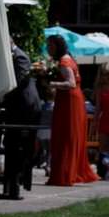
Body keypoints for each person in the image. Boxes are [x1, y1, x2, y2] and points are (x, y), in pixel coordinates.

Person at [44, 34, 97, 186]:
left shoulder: (63, 61)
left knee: (65, 135)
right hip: (72, 99)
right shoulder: (69, 58)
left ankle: (65, 173)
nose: (48, 48)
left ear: (57, 46)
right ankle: (73, 171)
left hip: (69, 101)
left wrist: (51, 83)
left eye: (50, 46)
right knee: (71, 135)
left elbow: (70, 83)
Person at [0, 40, 42, 191]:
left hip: (25, 107)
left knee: (20, 145)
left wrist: (0, 95)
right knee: (12, 143)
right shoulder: (10, 57)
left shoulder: (20, 57)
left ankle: (18, 181)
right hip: (16, 106)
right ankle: (12, 183)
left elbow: (19, 81)